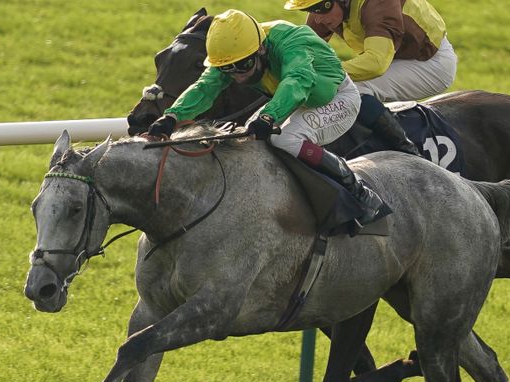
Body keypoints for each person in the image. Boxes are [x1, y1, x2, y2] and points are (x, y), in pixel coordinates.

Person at [148, 9, 385, 225]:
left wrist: (269, 117)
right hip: (296, 100)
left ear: (260, 48)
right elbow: (204, 88)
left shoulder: (292, 43)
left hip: (337, 98)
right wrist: (172, 117)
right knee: (245, 139)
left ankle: (360, 194)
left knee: (286, 140)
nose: (238, 76)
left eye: (244, 66)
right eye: (227, 70)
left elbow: (297, 81)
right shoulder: (236, 51)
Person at [284, 0, 458, 156]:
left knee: (355, 87)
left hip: (431, 64)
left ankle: (408, 151)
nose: (317, 18)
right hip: (397, 57)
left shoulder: (378, 4)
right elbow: (304, 50)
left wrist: (327, 73)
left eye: (320, 8)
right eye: (310, 9)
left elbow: (376, 63)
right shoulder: (328, 9)